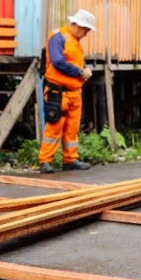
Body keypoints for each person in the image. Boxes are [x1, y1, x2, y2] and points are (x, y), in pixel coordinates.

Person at [38, 9, 96, 174]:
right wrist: (80, 72)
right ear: (78, 26)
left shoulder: (75, 41)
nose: (86, 34)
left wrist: (84, 69)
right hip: (58, 91)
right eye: (86, 30)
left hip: (74, 92)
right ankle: (45, 160)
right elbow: (57, 62)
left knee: (72, 127)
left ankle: (70, 159)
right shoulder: (58, 37)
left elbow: (73, 62)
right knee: (54, 126)